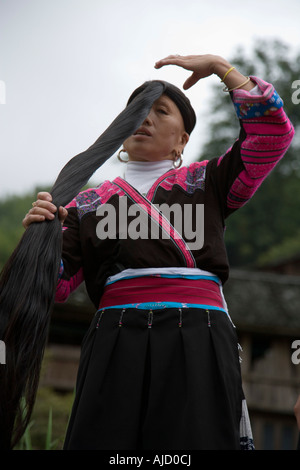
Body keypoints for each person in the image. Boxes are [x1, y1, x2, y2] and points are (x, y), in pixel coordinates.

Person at [23, 54, 294, 450]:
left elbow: (271, 134)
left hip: (197, 336)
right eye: (137, 111)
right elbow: (56, 286)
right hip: (114, 340)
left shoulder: (211, 181)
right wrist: (39, 236)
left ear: (183, 139)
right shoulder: (87, 203)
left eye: (160, 111)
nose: (144, 118)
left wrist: (221, 67)